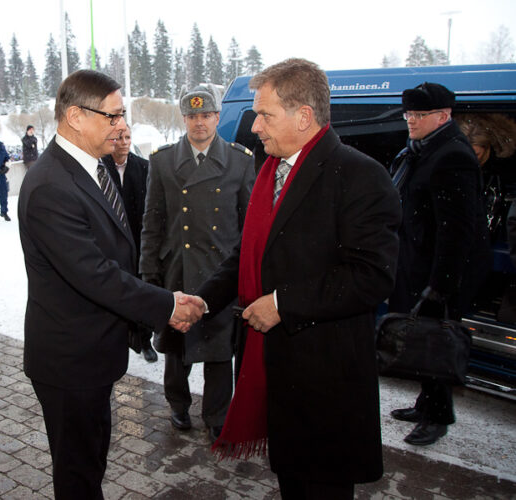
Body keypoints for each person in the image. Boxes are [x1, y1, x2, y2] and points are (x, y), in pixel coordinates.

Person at [195, 58, 401, 499]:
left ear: (303, 116)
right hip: (277, 370)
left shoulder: (361, 176)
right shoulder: (270, 169)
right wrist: (203, 300)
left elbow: (372, 276)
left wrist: (283, 303)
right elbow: (249, 255)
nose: (255, 127)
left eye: (265, 115)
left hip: (325, 382)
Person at [17, 69, 205, 500]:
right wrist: (166, 305)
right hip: (69, 362)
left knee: (92, 461)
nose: (121, 126)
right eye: (113, 116)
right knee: (79, 476)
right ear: (75, 117)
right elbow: (94, 274)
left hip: (92, 354)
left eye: (123, 116)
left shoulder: (88, 169)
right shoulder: (51, 185)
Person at [140, 83, 254, 440]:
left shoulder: (240, 160)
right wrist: (148, 274)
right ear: (184, 118)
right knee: (176, 350)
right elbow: (152, 223)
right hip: (178, 270)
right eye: (192, 115)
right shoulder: (162, 161)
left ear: (218, 117)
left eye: (206, 115)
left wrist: (249, 276)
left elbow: (250, 227)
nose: (199, 122)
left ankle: (218, 414)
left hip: (221, 273)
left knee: (220, 354)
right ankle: (177, 404)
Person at [388, 82, 490, 446]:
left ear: (443, 116)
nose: (410, 121)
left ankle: (438, 417)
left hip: (440, 271)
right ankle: (424, 402)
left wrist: (440, 287)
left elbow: (457, 232)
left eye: (418, 115)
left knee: (434, 343)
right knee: (421, 338)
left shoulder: (452, 157)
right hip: (417, 262)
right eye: (408, 114)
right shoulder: (422, 150)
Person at [101, 128, 158, 363]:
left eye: (127, 138)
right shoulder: (100, 168)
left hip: (139, 241)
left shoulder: (144, 167)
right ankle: (117, 339)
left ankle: (145, 340)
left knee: (140, 290)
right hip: (110, 243)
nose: (123, 143)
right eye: (117, 138)